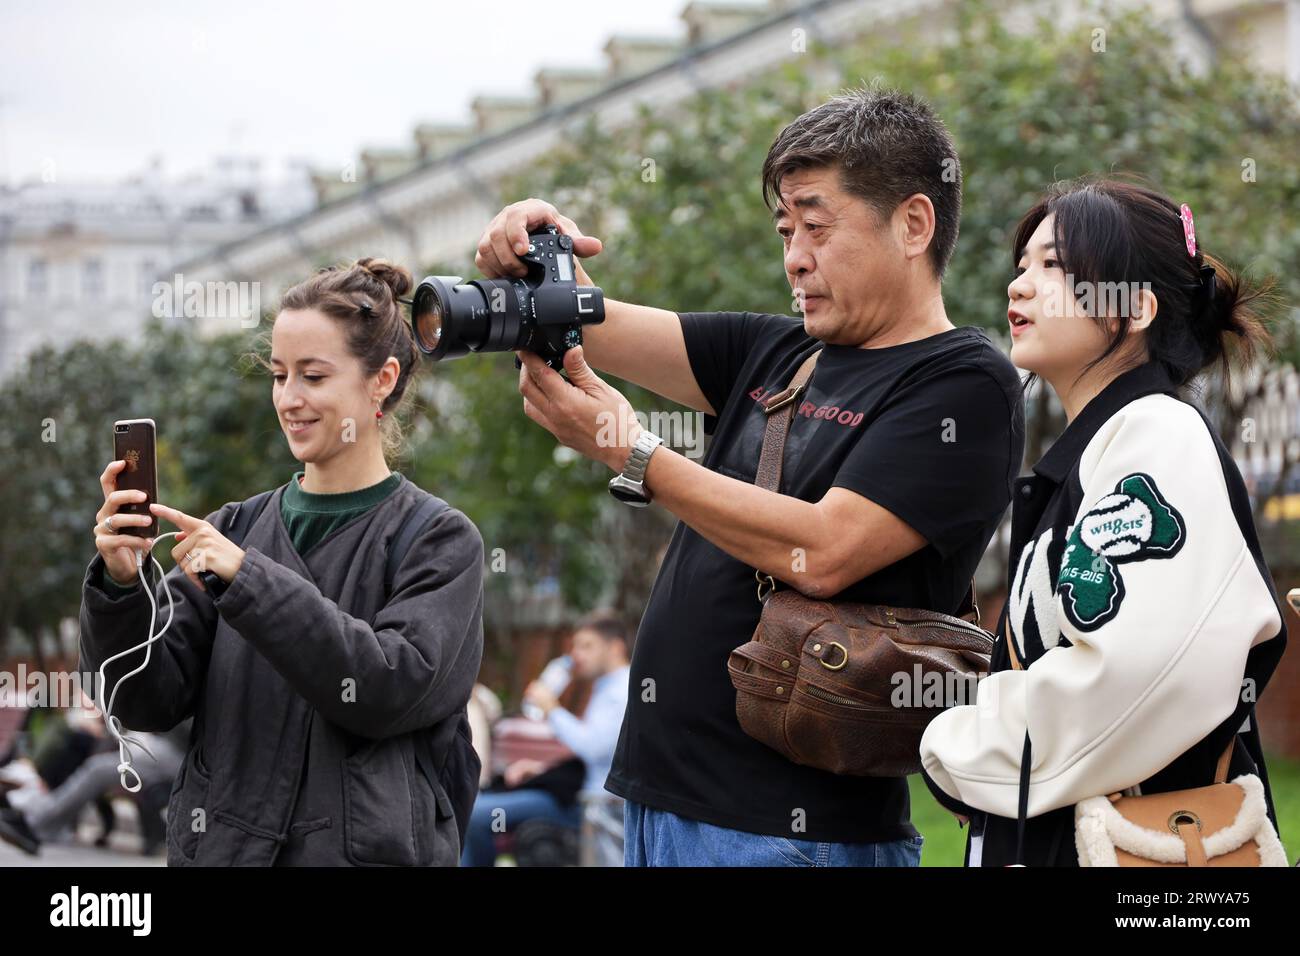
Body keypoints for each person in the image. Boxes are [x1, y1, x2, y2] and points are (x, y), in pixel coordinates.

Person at [475, 87, 1025, 866]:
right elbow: (582, 319)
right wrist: (531, 252)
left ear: (913, 223)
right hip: (659, 809)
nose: (794, 255)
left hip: (794, 834)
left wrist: (632, 453)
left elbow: (826, 551)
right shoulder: (779, 353)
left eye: (816, 224)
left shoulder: (964, 385)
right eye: (784, 229)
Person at [919, 179, 1288, 866]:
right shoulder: (1107, 445)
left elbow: (1141, 670)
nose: (1018, 287)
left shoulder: (1156, 435)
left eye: (1053, 266)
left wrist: (961, 743)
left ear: (1135, 307)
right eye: (1021, 265)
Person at [78, 259, 485, 866]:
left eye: (314, 376)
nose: (289, 399)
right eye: (278, 375)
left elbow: (384, 690)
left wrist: (249, 580)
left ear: (382, 379)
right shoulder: (234, 529)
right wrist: (120, 584)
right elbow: (143, 703)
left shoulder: (439, 541)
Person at [461, 609, 631, 866]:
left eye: (587, 645)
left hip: (598, 808)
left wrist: (551, 707)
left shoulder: (622, 689)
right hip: (580, 799)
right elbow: (601, 755)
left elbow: (592, 747)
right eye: (575, 646)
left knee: (475, 814)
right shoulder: (607, 686)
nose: (576, 654)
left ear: (615, 648)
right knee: (478, 807)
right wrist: (541, 770)